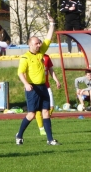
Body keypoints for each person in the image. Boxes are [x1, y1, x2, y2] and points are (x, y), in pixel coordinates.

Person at [15, 13, 60, 145]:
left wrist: (52, 23)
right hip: (32, 88)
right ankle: (19, 135)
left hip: (43, 87)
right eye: (36, 43)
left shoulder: (41, 52)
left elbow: (48, 38)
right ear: (30, 45)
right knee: (31, 114)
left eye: (39, 43)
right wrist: (26, 84)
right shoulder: (25, 57)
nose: (39, 44)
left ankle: (50, 139)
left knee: (46, 112)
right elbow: (20, 73)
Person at [35, 53, 61, 135]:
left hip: (46, 86)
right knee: (37, 109)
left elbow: (51, 70)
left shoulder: (47, 57)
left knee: (51, 106)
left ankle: (45, 121)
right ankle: (41, 128)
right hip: (36, 86)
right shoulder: (32, 56)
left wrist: (56, 80)